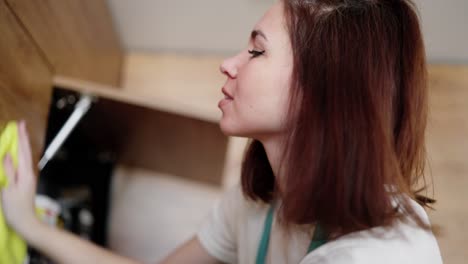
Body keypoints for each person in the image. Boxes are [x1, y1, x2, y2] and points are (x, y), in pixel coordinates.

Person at [1, 0, 443, 263]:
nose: (229, 64)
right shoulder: (258, 203)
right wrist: (29, 224)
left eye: (256, 51)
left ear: (321, 91)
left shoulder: (383, 254)